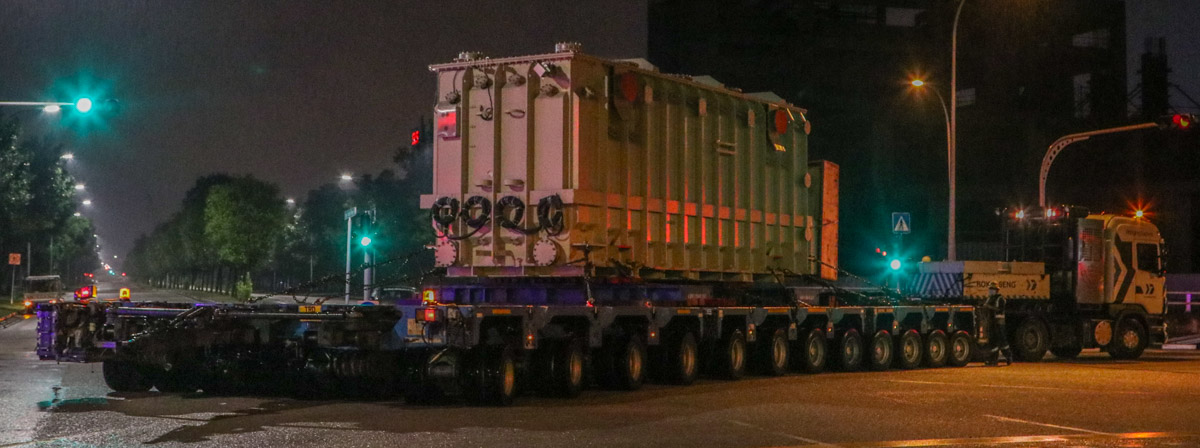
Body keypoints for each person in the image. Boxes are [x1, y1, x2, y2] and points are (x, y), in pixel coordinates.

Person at [984, 282, 1013, 366]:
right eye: (990, 289)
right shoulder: (990, 298)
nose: (990, 291)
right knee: (993, 342)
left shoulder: (1000, 299)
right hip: (992, 322)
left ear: (996, 290)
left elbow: (1000, 309)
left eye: (992, 289)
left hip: (999, 323)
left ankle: (1009, 357)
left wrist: (989, 307)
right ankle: (993, 360)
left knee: (1002, 341)